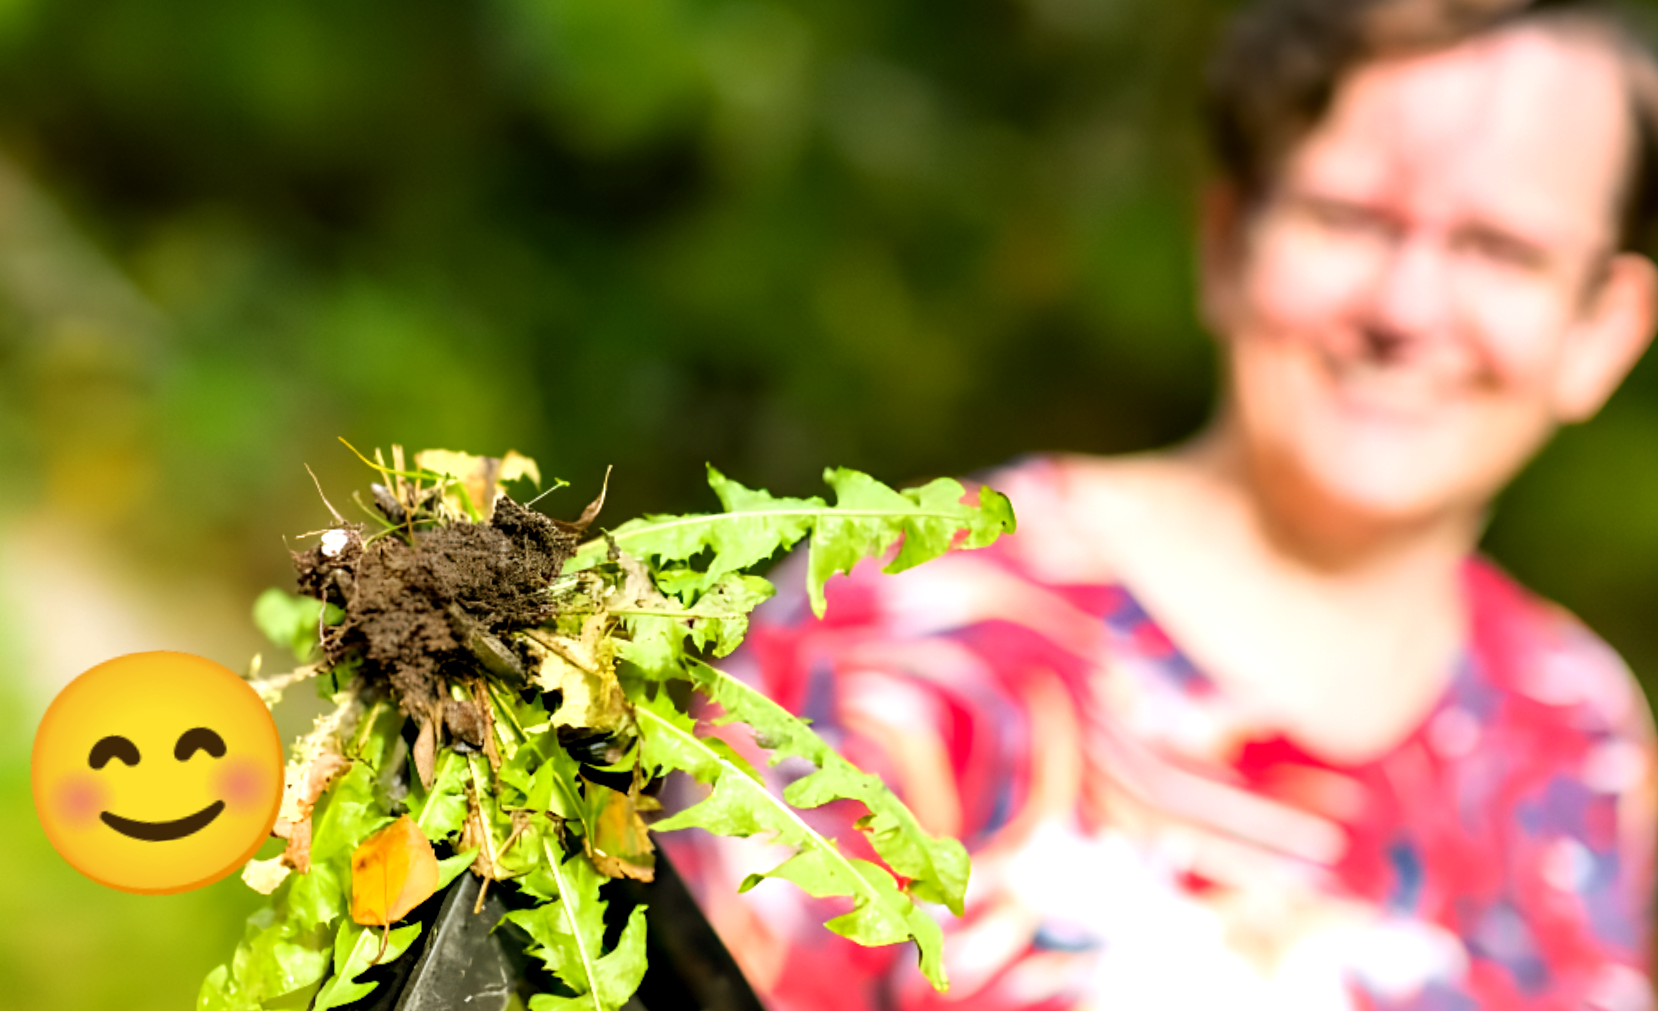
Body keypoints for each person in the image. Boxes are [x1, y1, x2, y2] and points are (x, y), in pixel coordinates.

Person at [662, 0, 1658, 1008]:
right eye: (1348, 217)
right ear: (1226, 240)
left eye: (1500, 250)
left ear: (1603, 329)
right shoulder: (916, 620)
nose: (1406, 308)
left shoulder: (1581, 735)